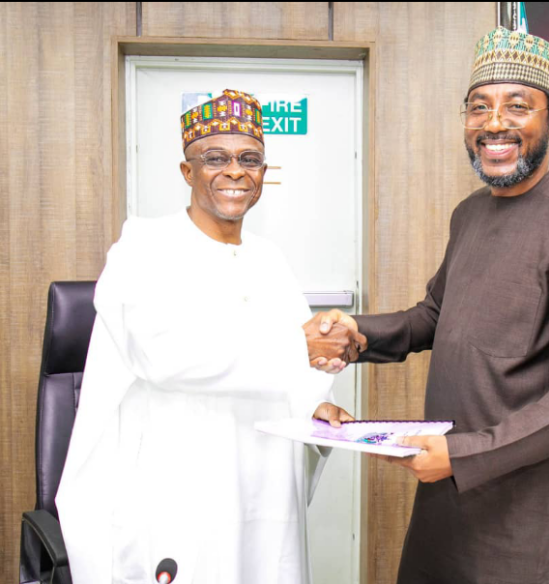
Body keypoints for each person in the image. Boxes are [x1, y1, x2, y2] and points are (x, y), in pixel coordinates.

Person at [310, 28, 549, 584]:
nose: (494, 123)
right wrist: (356, 332)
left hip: (523, 507)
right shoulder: (470, 212)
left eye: (517, 106)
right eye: (479, 107)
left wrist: (466, 455)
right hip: (446, 489)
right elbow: (434, 316)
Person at [55, 89, 361, 584]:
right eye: (215, 158)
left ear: (264, 172)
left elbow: (297, 369)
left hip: (263, 489)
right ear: (187, 171)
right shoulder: (143, 248)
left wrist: (317, 406)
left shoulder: (270, 260)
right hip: (177, 493)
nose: (235, 172)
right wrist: (298, 348)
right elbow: (164, 356)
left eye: (250, 159)